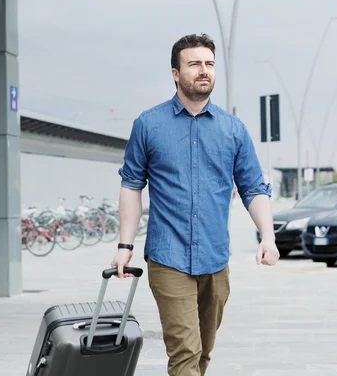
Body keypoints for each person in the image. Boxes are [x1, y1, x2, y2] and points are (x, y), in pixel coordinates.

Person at [111, 33, 279, 376]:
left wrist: (268, 235)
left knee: (202, 351)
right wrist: (125, 245)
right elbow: (131, 185)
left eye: (209, 64)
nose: (204, 71)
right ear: (176, 73)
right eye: (194, 64)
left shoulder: (233, 129)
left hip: (216, 258)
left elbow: (253, 188)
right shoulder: (149, 124)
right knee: (185, 352)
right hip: (168, 256)